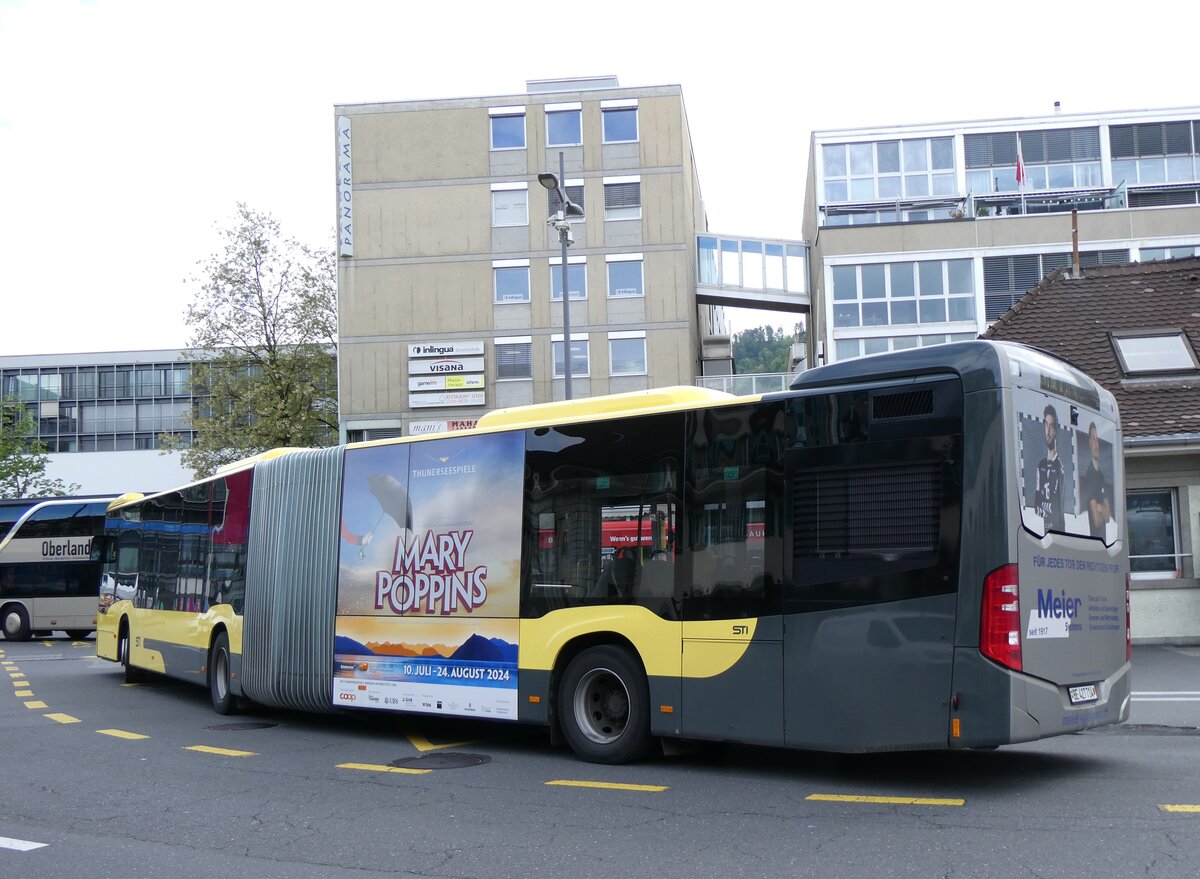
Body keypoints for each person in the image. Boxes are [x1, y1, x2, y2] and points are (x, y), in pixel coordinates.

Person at [1034, 404, 1065, 532]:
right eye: (1046, 425)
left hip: (1058, 531)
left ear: (1056, 432)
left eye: (1051, 427)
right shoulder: (1040, 465)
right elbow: (1037, 504)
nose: (1047, 431)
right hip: (1044, 531)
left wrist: (1044, 506)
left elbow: (1056, 505)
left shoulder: (1059, 467)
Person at [1080, 422, 1112, 539]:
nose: (1096, 444)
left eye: (1097, 439)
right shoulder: (1091, 476)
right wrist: (1102, 509)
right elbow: (1097, 521)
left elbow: (1108, 517)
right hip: (1095, 540)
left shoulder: (1101, 475)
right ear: (1089, 443)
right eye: (1093, 439)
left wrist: (1101, 508)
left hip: (1104, 542)